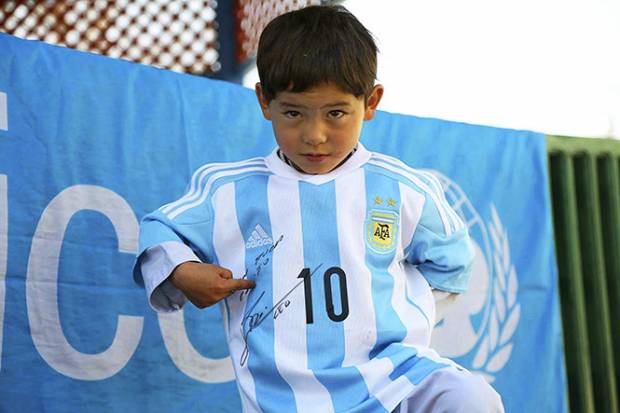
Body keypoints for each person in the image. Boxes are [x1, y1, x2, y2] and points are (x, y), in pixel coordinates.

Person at [133, 5, 505, 413]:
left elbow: (453, 262)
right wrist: (184, 271)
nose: (315, 135)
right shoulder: (227, 190)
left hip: (394, 381)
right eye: (293, 112)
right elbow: (159, 229)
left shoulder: (403, 189)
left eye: (336, 113)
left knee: (472, 398)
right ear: (263, 101)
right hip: (283, 399)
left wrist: (391, 306)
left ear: (371, 102)